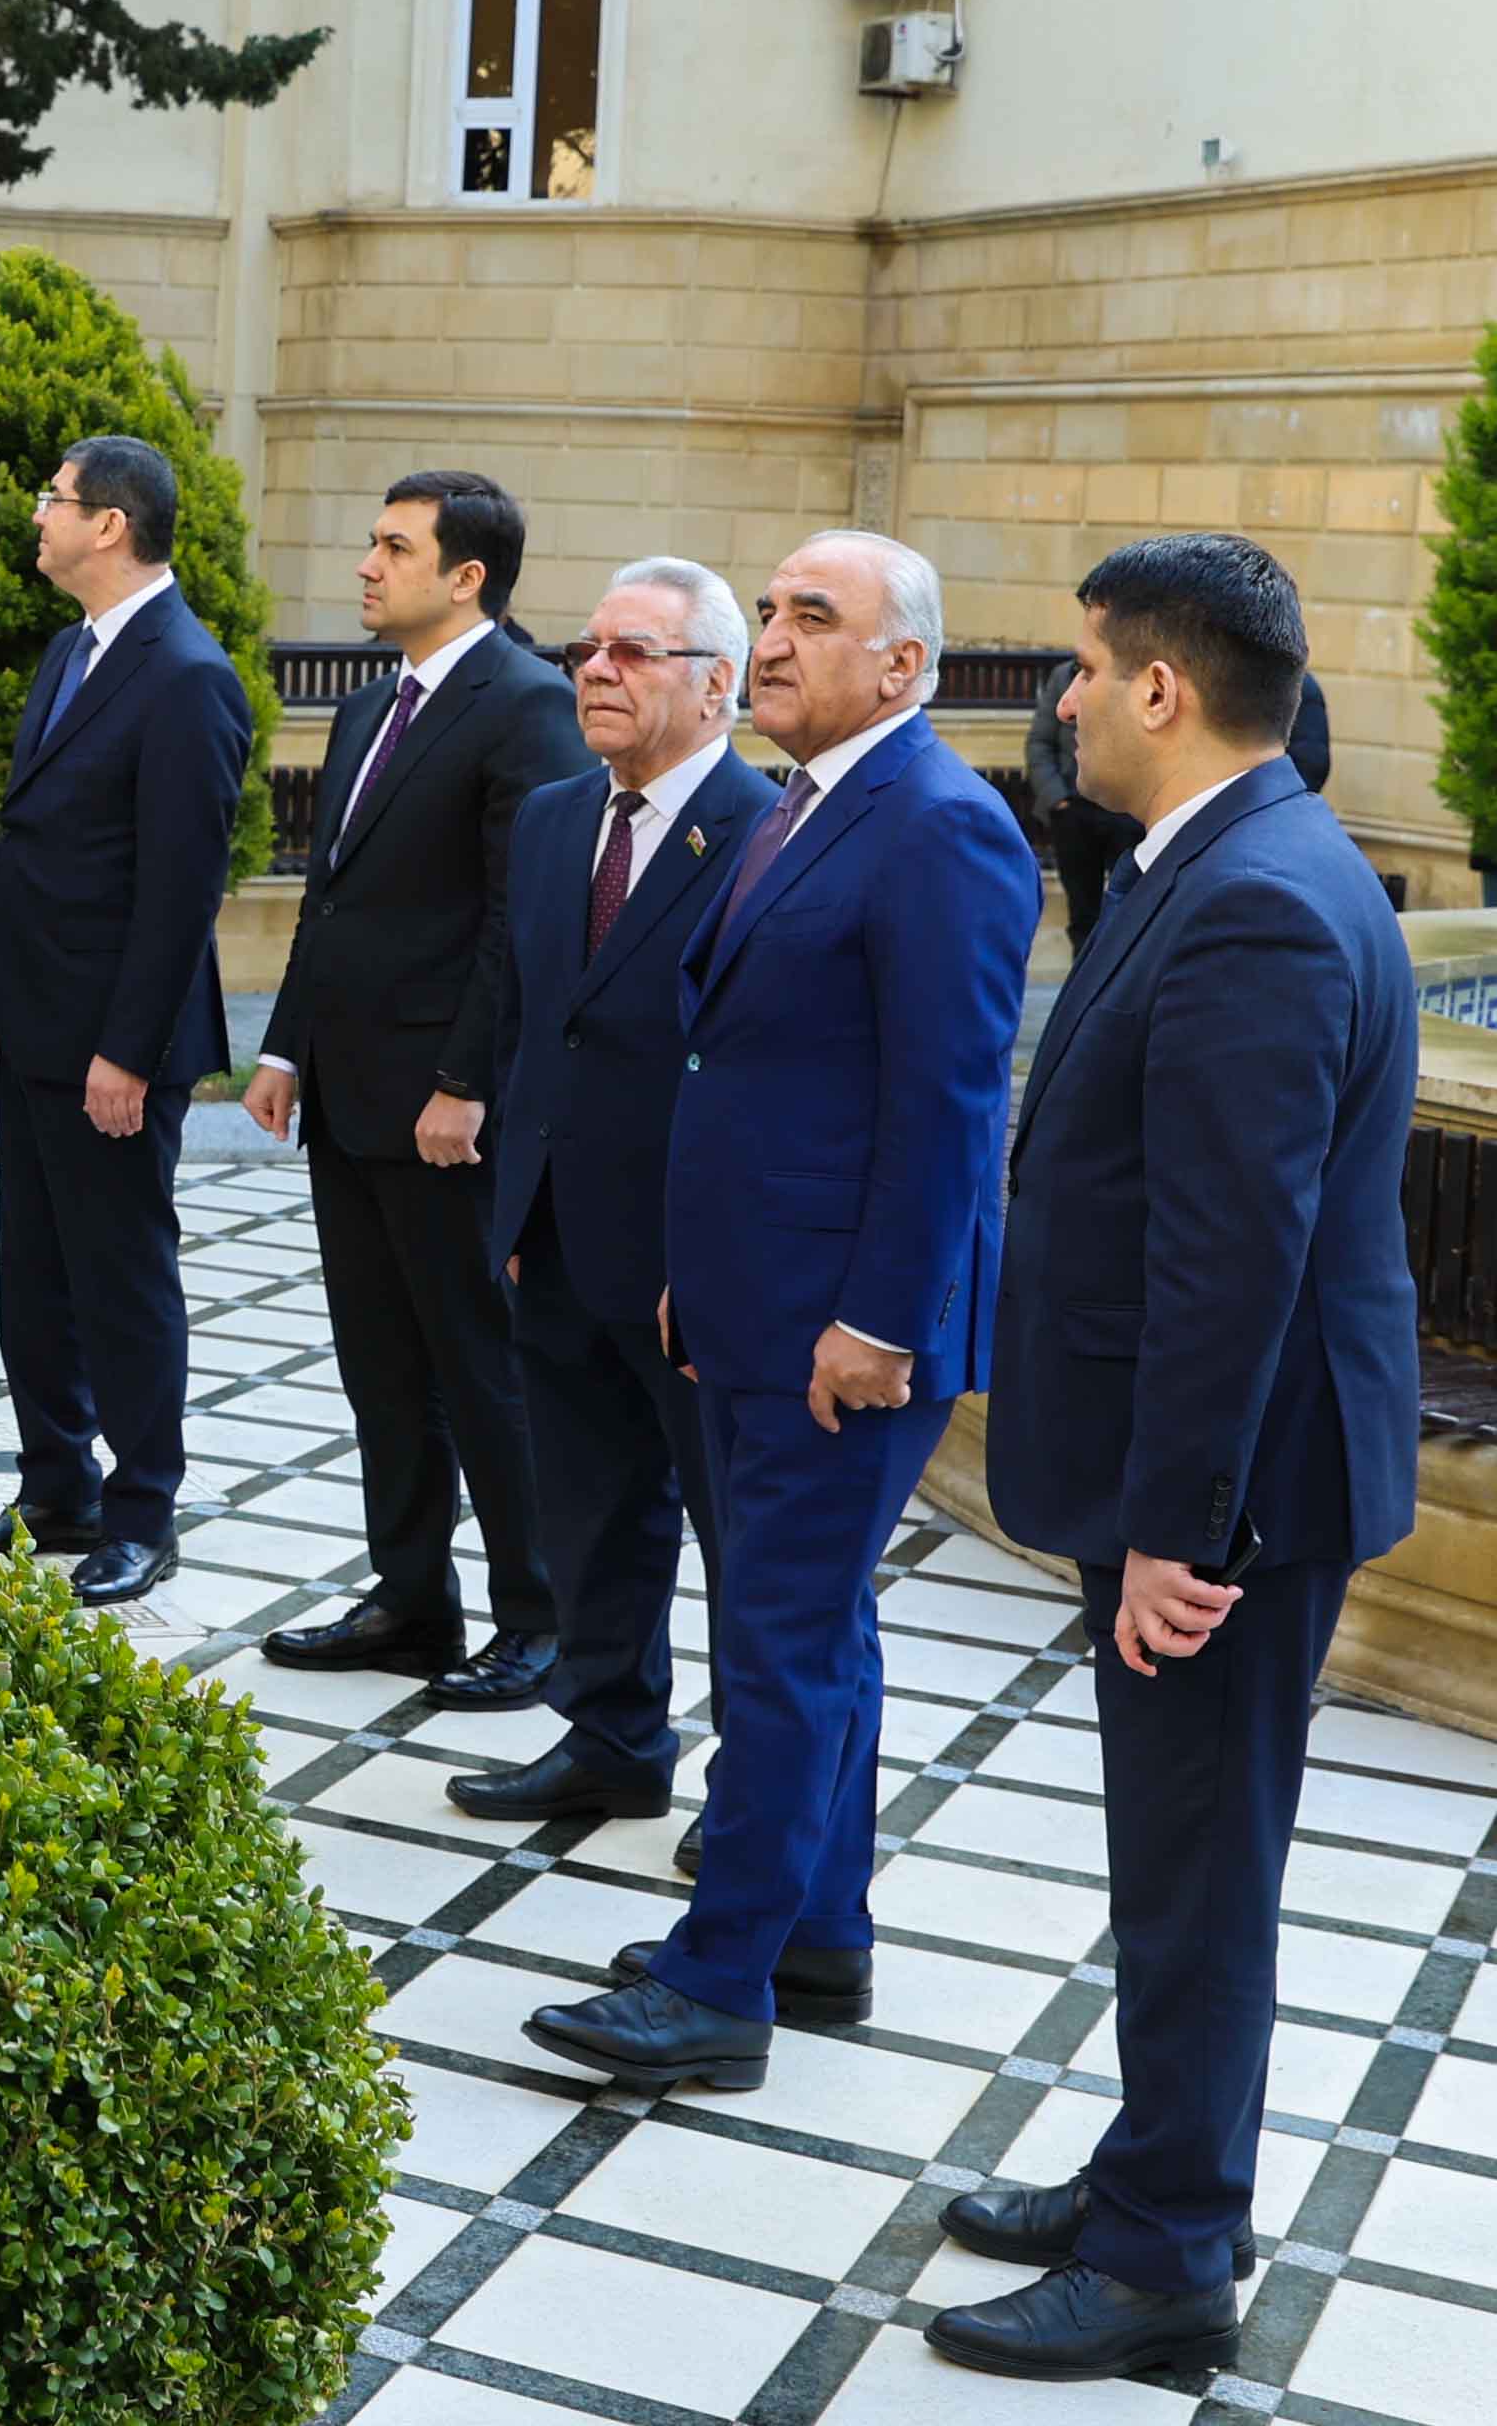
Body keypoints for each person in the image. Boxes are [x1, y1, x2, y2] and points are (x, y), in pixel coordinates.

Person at [925, 536, 1418, 2383]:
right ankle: (1156, 2166)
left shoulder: (1260, 900)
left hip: (1234, 1498)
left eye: (1076, 668)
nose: (1057, 700)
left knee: (1197, 1874)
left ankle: (1165, 2260)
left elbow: (1233, 1257)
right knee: (1175, 1863)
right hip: (1219, 1475)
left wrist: (1173, 1531)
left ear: (1158, 686)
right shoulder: (1216, 854)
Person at [523, 530, 1037, 2098]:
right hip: (753, 1301)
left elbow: (947, 1102)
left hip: (841, 1333)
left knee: (777, 1641)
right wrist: (697, 1267)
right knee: (816, 1626)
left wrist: (879, 1318)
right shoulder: (806, 801)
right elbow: (743, 1066)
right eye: (768, 610)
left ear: (904, 663)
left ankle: (717, 1977)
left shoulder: (938, 822)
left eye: (816, 614)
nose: (777, 635)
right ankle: (815, 1930)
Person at [447, 558, 776, 1849]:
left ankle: (751, 1788)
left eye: (632, 651)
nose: (593, 669)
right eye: (587, 647)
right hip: (555, 1237)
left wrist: (714, 1254)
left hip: (694, 1267)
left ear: (714, 683)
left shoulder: (763, 831)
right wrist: (515, 1209)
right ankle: (611, 1739)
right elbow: (533, 1023)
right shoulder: (550, 819)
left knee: (737, 1538)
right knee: (589, 1507)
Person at [252, 471, 590, 1704]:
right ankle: (410, 1601)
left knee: (478, 1368)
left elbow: (518, 916)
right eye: (372, 542)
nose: (366, 564)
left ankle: (538, 1618)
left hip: (443, 1110)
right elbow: (330, 896)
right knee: (380, 1366)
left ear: (466, 576)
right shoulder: (366, 707)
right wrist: (284, 1046)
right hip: (346, 1094)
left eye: (394, 547)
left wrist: (463, 1081)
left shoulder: (528, 703)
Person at [0, 437, 252, 1607]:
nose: (38, 515)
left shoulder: (185, 675)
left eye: (54, 498)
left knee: (120, 1281)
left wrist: (126, 1052)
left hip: (113, 1047)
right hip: (37, 1028)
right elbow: (31, 845)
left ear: (110, 525)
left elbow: (180, 889)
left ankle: (141, 1511)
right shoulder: (71, 649)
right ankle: (57, 1486)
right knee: (35, 1275)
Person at [1029, 651, 1332, 948]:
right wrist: (1059, 801)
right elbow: (1039, 743)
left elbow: (1310, 762)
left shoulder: (1248, 890)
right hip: (1076, 815)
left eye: (1090, 672)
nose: (1066, 707)